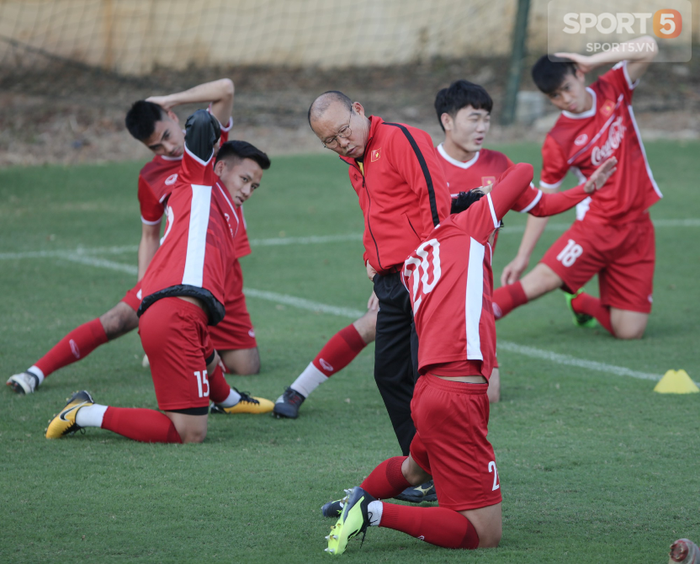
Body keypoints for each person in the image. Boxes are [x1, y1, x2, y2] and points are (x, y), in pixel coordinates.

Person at [323, 158, 617, 555]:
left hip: (431, 391)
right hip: (457, 394)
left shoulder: (418, 255)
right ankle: (371, 512)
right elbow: (524, 170)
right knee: (482, 534)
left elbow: (532, 201)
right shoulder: (466, 228)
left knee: (415, 467)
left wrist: (584, 190)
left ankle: (352, 499)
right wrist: (487, 195)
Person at [275, 79, 601, 418]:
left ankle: (440, 456)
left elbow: (538, 202)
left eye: (486, 119)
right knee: (381, 334)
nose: (482, 127)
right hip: (423, 272)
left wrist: (587, 189)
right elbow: (391, 214)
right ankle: (300, 387)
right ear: (447, 121)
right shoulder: (416, 155)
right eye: (473, 118)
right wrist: (378, 262)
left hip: (473, 278)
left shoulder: (497, 164)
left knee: (486, 392)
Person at [8, 78, 260, 394]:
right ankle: (35, 372)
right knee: (116, 321)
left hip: (223, 270)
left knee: (247, 367)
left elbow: (225, 89)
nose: (167, 147)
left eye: (167, 136)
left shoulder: (209, 142)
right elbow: (149, 236)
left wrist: (169, 98)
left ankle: (185, 345)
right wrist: (147, 292)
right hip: (175, 268)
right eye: (155, 146)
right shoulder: (151, 177)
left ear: (172, 117)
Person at [45, 111, 273, 444]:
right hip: (173, 313)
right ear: (219, 167)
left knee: (209, 354)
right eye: (245, 179)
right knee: (191, 432)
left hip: (187, 313)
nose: (249, 190)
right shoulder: (200, 181)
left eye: (255, 185)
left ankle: (228, 400)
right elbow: (201, 124)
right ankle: (84, 412)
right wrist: (172, 111)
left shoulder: (231, 215)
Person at [307, 91, 452, 460]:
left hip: (423, 276)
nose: (341, 143)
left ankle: (450, 468)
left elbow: (434, 203)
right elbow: (380, 216)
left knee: (428, 381)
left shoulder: (401, 139)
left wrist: (427, 266)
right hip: (390, 283)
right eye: (330, 141)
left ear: (359, 110)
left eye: (343, 131)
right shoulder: (354, 162)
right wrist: (373, 259)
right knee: (389, 375)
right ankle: (423, 468)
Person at [493, 36, 661, 339]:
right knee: (539, 282)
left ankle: (581, 300)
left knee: (630, 331)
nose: (565, 99)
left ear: (579, 74)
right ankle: (468, 319)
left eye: (567, 88)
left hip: (637, 227)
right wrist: (522, 255)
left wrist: (594, 60)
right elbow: (542, 201)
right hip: (596, 226)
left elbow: (649, 46)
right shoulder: (559, 140)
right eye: (555, 96)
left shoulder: (614, 87)